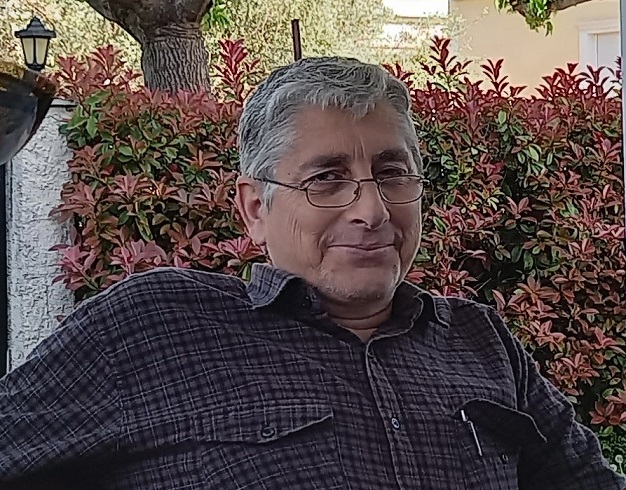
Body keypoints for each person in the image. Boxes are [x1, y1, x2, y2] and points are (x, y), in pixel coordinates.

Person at [0, 57, 624, 490]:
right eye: (327, 178)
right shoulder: (153, 329)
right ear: (255, 209)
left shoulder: (479, 341)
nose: (372, 210)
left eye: (393, 173)